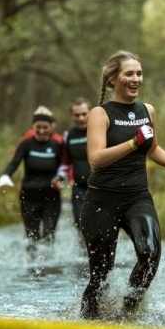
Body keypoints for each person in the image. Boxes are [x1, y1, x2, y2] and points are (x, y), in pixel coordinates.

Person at [79, 50, 165, 320]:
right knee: (101, 275)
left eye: (139, 74)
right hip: (101, 201)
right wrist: (133, 143)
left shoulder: (147, 111)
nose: (136, 79)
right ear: (112, 79)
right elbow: (95, 158)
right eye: (129, 74)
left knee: (150, 254)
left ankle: (125, 315)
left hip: (137, 197)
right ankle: (87, 323)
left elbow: (152, 149)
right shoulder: (100, 114)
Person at [0, 106, 66, 256]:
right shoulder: (26, 144)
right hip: (29, 197)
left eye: (45, 127)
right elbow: (14, 163)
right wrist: (5, 176)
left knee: (49, 234)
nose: (41, 131)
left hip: (51, 197)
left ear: (51, 127)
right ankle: (31, 264)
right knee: (32, 236)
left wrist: (60, 180)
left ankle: (49, 265)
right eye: (38, 127)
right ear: (33, 127)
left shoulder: (57, 145)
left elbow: (63, 167)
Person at [57, 97, 92, 236]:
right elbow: (65, 162)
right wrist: (60, 178)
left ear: (91, 112)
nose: (81, 118)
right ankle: (83, 249)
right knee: (80, 224)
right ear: (71, 116)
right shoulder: (68, 136)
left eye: (84, 114)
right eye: (77, 115)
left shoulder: (101, 131)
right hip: (79, 188)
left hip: (101, 187)